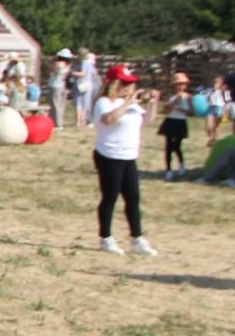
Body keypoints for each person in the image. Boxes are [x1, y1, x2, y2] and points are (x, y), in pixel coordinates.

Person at [92, 63, 158, 256]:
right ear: (113, 84)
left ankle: (136, 238)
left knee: (133, 198)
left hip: (129, 156)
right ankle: (106, 238)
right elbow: (108, 120)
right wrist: (127, 102)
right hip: (110, 155)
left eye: (130, 83)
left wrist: (152, 103)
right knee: (110, 197)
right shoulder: (104, 102)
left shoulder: (133, 104)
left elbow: (147, 122)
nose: (128, 87)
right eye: (124, 83)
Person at [158, 71, 193, 180]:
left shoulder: (188, 97)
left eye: (184, 84)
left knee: (177, 145)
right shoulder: (170, 96)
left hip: (181, 122)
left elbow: (192, 112)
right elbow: (165, 110)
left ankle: (181, 164)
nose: (182, 86)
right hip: (170, 121)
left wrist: (183, 109)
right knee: (168, 146)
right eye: (179, 84)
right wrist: (176, 99)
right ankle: (168, 170)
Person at [48, 51, 72, 129]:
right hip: (62, 85)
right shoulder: (68, 65)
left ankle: (57, 123)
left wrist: (53, 61)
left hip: (55, 85)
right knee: (61, 105)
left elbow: (50, 70)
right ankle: (59, 122)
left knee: (55, 105)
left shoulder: (58, 63)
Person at [76, 51, 99, 127]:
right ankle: (83, 121)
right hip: (88, 84)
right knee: (85, 103)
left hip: (82, 83)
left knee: (80, 103)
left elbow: (83, 73)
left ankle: (79, 121)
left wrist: (73, 73)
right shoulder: (90, 65)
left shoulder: (83, 63)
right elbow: (94, 74)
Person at [206, 74, 229, 145]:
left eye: (217, 82)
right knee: (209, 125)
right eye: (214, 82)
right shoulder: (211, 91)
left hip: (220, 108)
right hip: (212, 107)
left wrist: (225, 111)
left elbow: (227, 101)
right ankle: (211, 137)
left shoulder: (225, 91)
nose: (215, 84)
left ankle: (213, 139)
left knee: (216, 126)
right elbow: (208, 100)